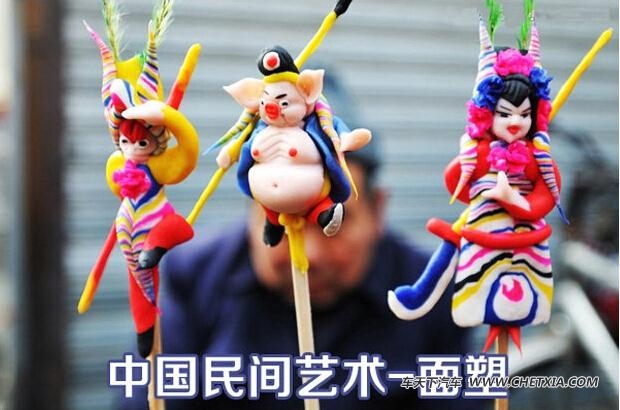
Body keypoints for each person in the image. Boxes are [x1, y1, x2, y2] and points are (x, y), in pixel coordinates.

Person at [388, 14, 563, 352]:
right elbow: (455, 180)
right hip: (481, 226)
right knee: (453, 244)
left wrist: (512, 198)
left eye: (524, 114)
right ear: (487, 113)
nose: (515, 122)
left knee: (516, 280)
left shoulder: (537, 158)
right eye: (505, 113)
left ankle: (423, 293)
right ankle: (422, 293)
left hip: (525, 238)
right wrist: (477, 172)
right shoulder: (480, 153)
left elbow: (545, 198)